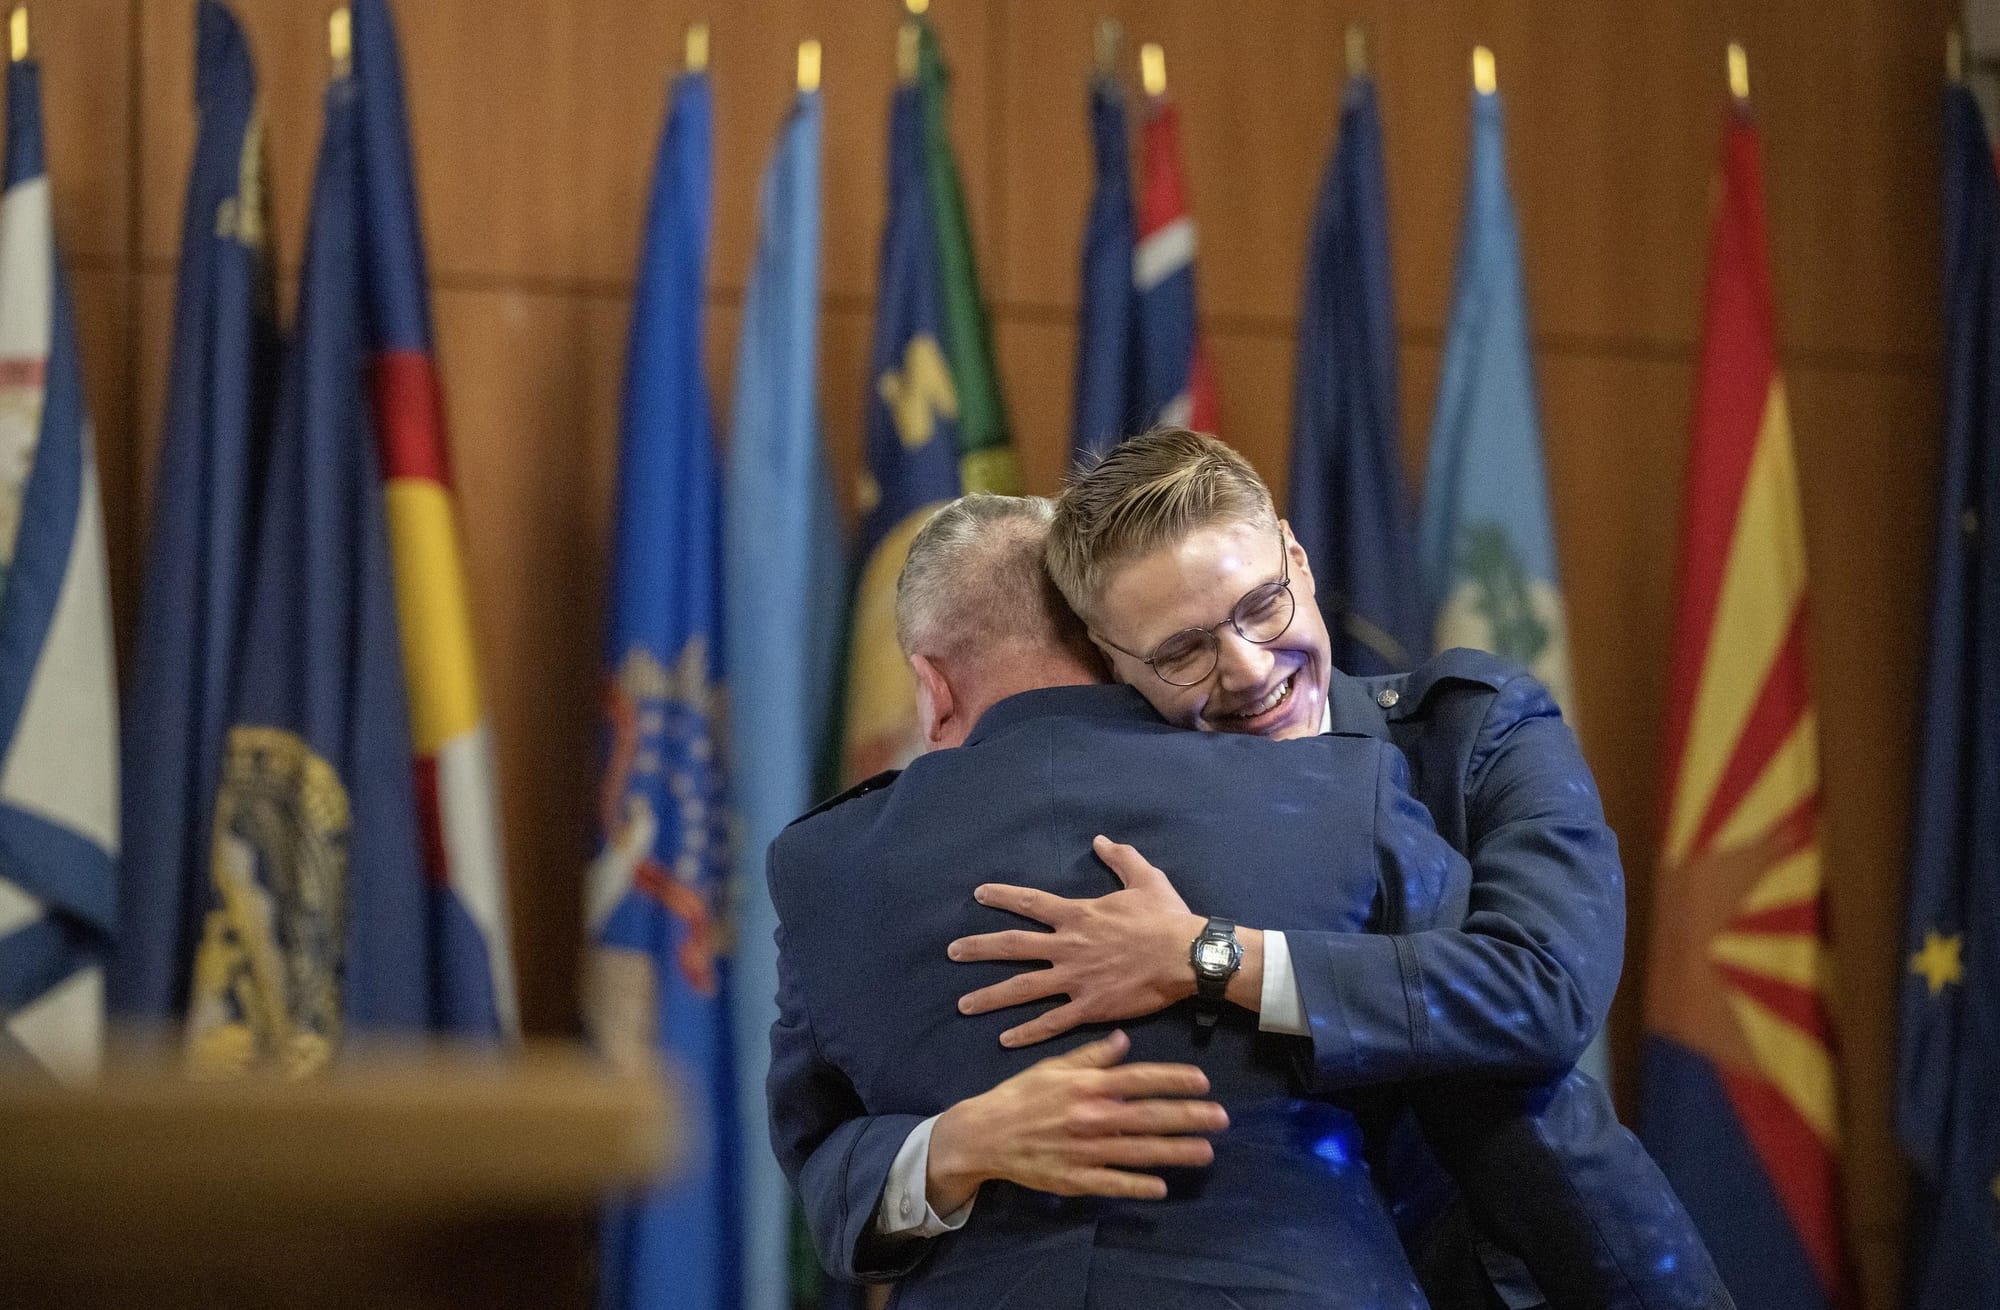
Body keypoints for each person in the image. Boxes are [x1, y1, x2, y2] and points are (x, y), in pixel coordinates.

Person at [934, 428, 1728, 1308]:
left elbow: (1544, 992)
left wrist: (1211, 957)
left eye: (1262, 604)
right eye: (1182, 651)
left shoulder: (1470, 737)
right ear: (1111, 665)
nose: (1246, 666)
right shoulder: (1103, 843)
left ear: (1300, 560)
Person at [767, 494, 1478, 1308]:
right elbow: (1479, 1037)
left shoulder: (827, 866)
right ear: (1114, 644)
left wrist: (950, 1148)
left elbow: (825, 1174)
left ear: (930, 687)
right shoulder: (1341, 793)